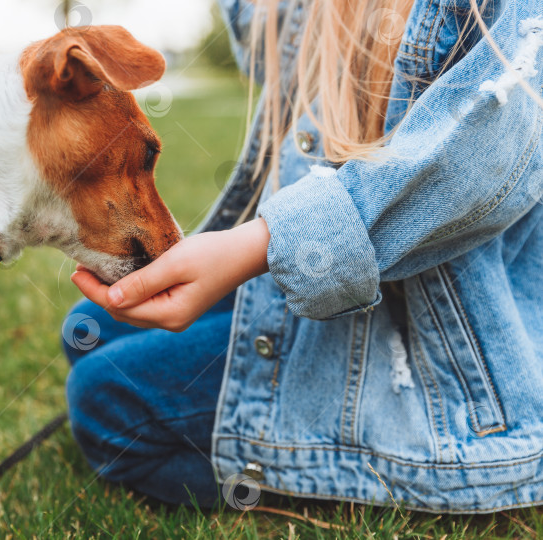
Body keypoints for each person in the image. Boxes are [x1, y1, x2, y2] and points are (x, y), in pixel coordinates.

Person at [61, 0, 543, 512]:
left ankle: (352, 465)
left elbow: (478, 159)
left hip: (436, 348)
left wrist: (257, 246)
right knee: (91, 329)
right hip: (331, 282)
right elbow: (257, 37)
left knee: (103, 401)